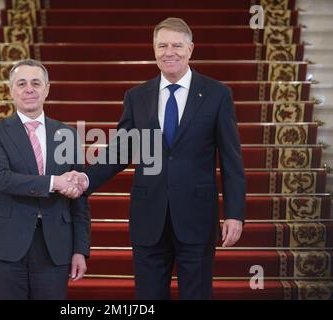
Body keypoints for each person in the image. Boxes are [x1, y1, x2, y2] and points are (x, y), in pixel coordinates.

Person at [67, 17, 246, 299]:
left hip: (197, 217)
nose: (169, 52)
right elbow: (121, 150)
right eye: (162, 45)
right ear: (154, 50)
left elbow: (231, 159)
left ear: (190, 49)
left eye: (176, 45)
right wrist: (87, 178)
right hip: (148, 217)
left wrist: (234, 214)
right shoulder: (137, 96)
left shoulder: (217, 94)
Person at [0, 59, 90, 300]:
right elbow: (2, 179)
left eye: (36, 83)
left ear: (47, 89)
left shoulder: (66, 134)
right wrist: (54, 183)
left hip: (55, 245)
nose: (29, 89)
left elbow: (79, 198)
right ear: (11, 91)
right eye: (22, 83)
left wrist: (80, 249)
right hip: (6, 244)